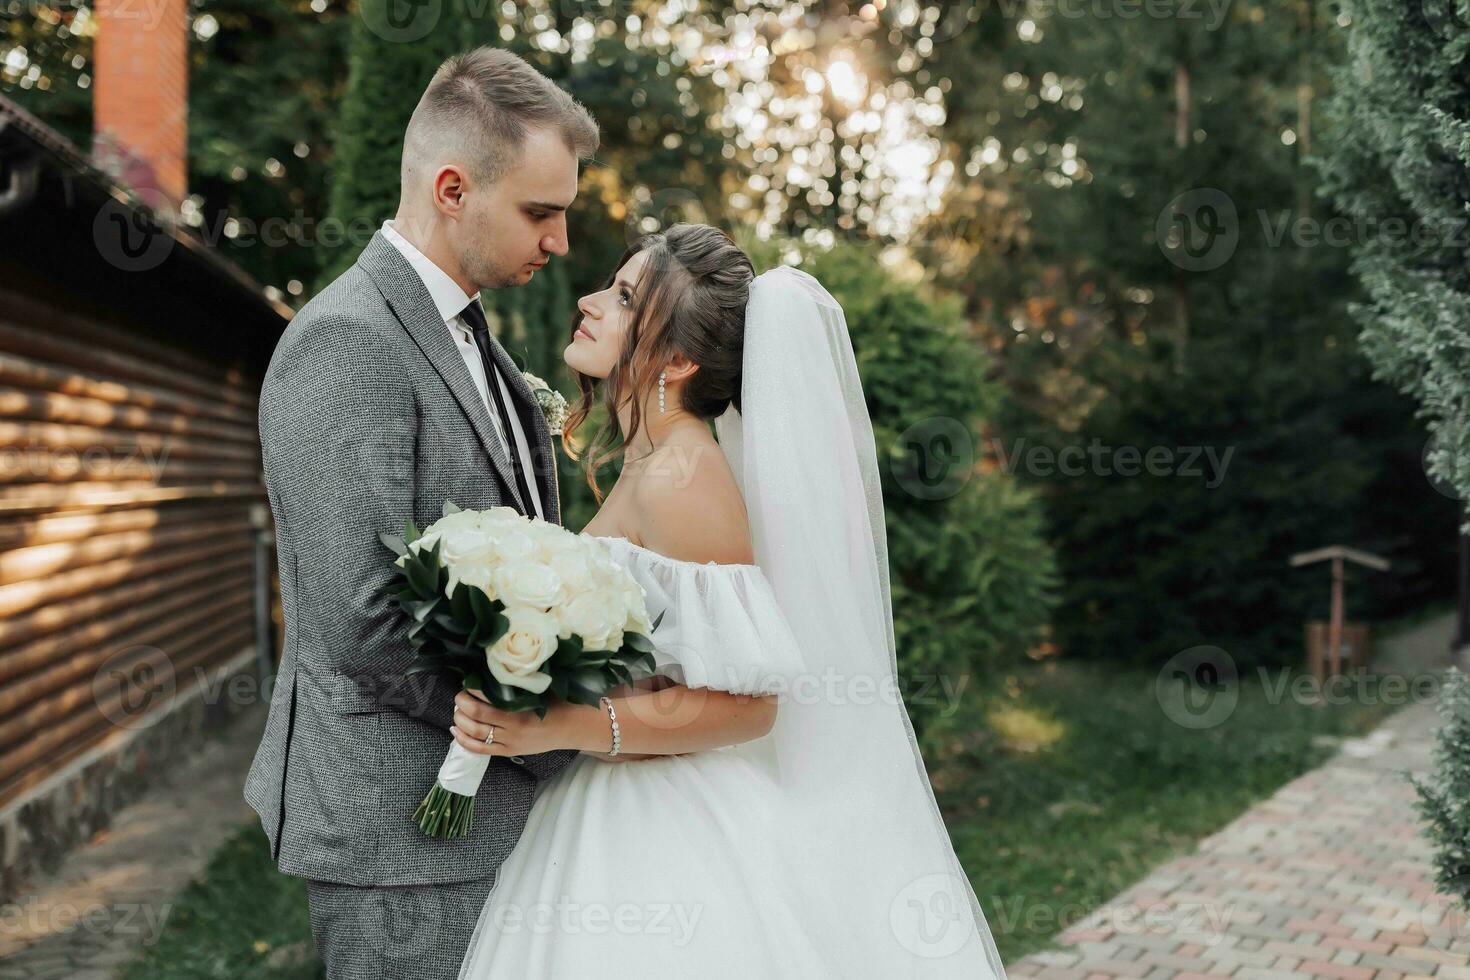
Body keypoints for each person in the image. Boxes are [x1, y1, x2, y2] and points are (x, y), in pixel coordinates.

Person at [450, 224, 1010, 979]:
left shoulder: (684, 478)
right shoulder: (647, 464)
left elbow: (750, 706)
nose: (588, 301)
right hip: (608, 802)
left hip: (665, 829)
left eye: (621, 298)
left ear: (677, 360)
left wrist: (553, 723)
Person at [242, 46, 598, 979]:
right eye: (540, 212)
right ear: (451, 188)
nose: (559, 242)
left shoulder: (474, 335)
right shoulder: (346, 343)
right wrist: (540, 730)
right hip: (400, 830)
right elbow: (364, 619)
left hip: (489, 817)